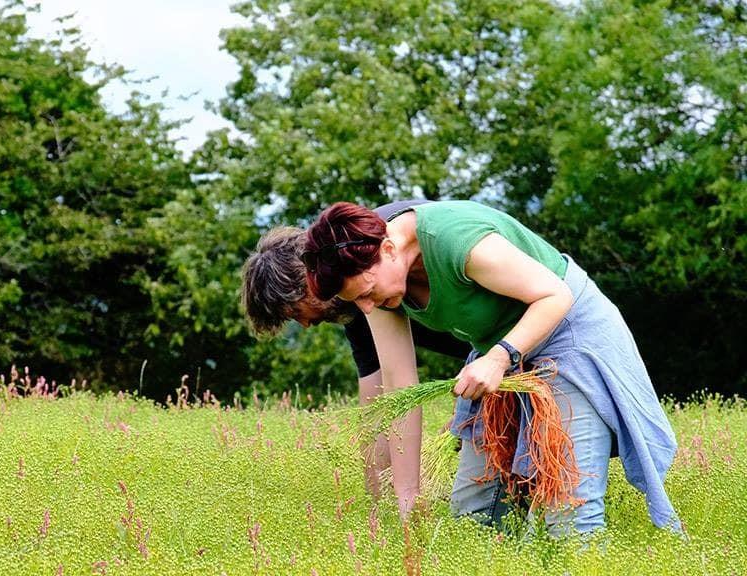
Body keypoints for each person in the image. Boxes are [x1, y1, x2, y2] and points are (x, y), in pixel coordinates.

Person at [303, 200, 680, 534]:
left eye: (367, 294)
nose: (367, 308)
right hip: (499, 352)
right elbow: (401, 388)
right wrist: (408, 498)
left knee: (567, 518)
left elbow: (554, 295)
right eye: (358, 302)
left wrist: (500, 358)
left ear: (387, 248)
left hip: (565, 333)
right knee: (474, 517)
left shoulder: (459, 240)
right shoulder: (381, 291)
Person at [241, 200, 469, 498]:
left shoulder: (369, 260)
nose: (306, 325)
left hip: (524, 332)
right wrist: (377, 498)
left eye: (296, 313)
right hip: (486, 356)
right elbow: (375, 404)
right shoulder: (356, 307)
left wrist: (407, 496)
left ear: (302, 281)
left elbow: (401, 387)